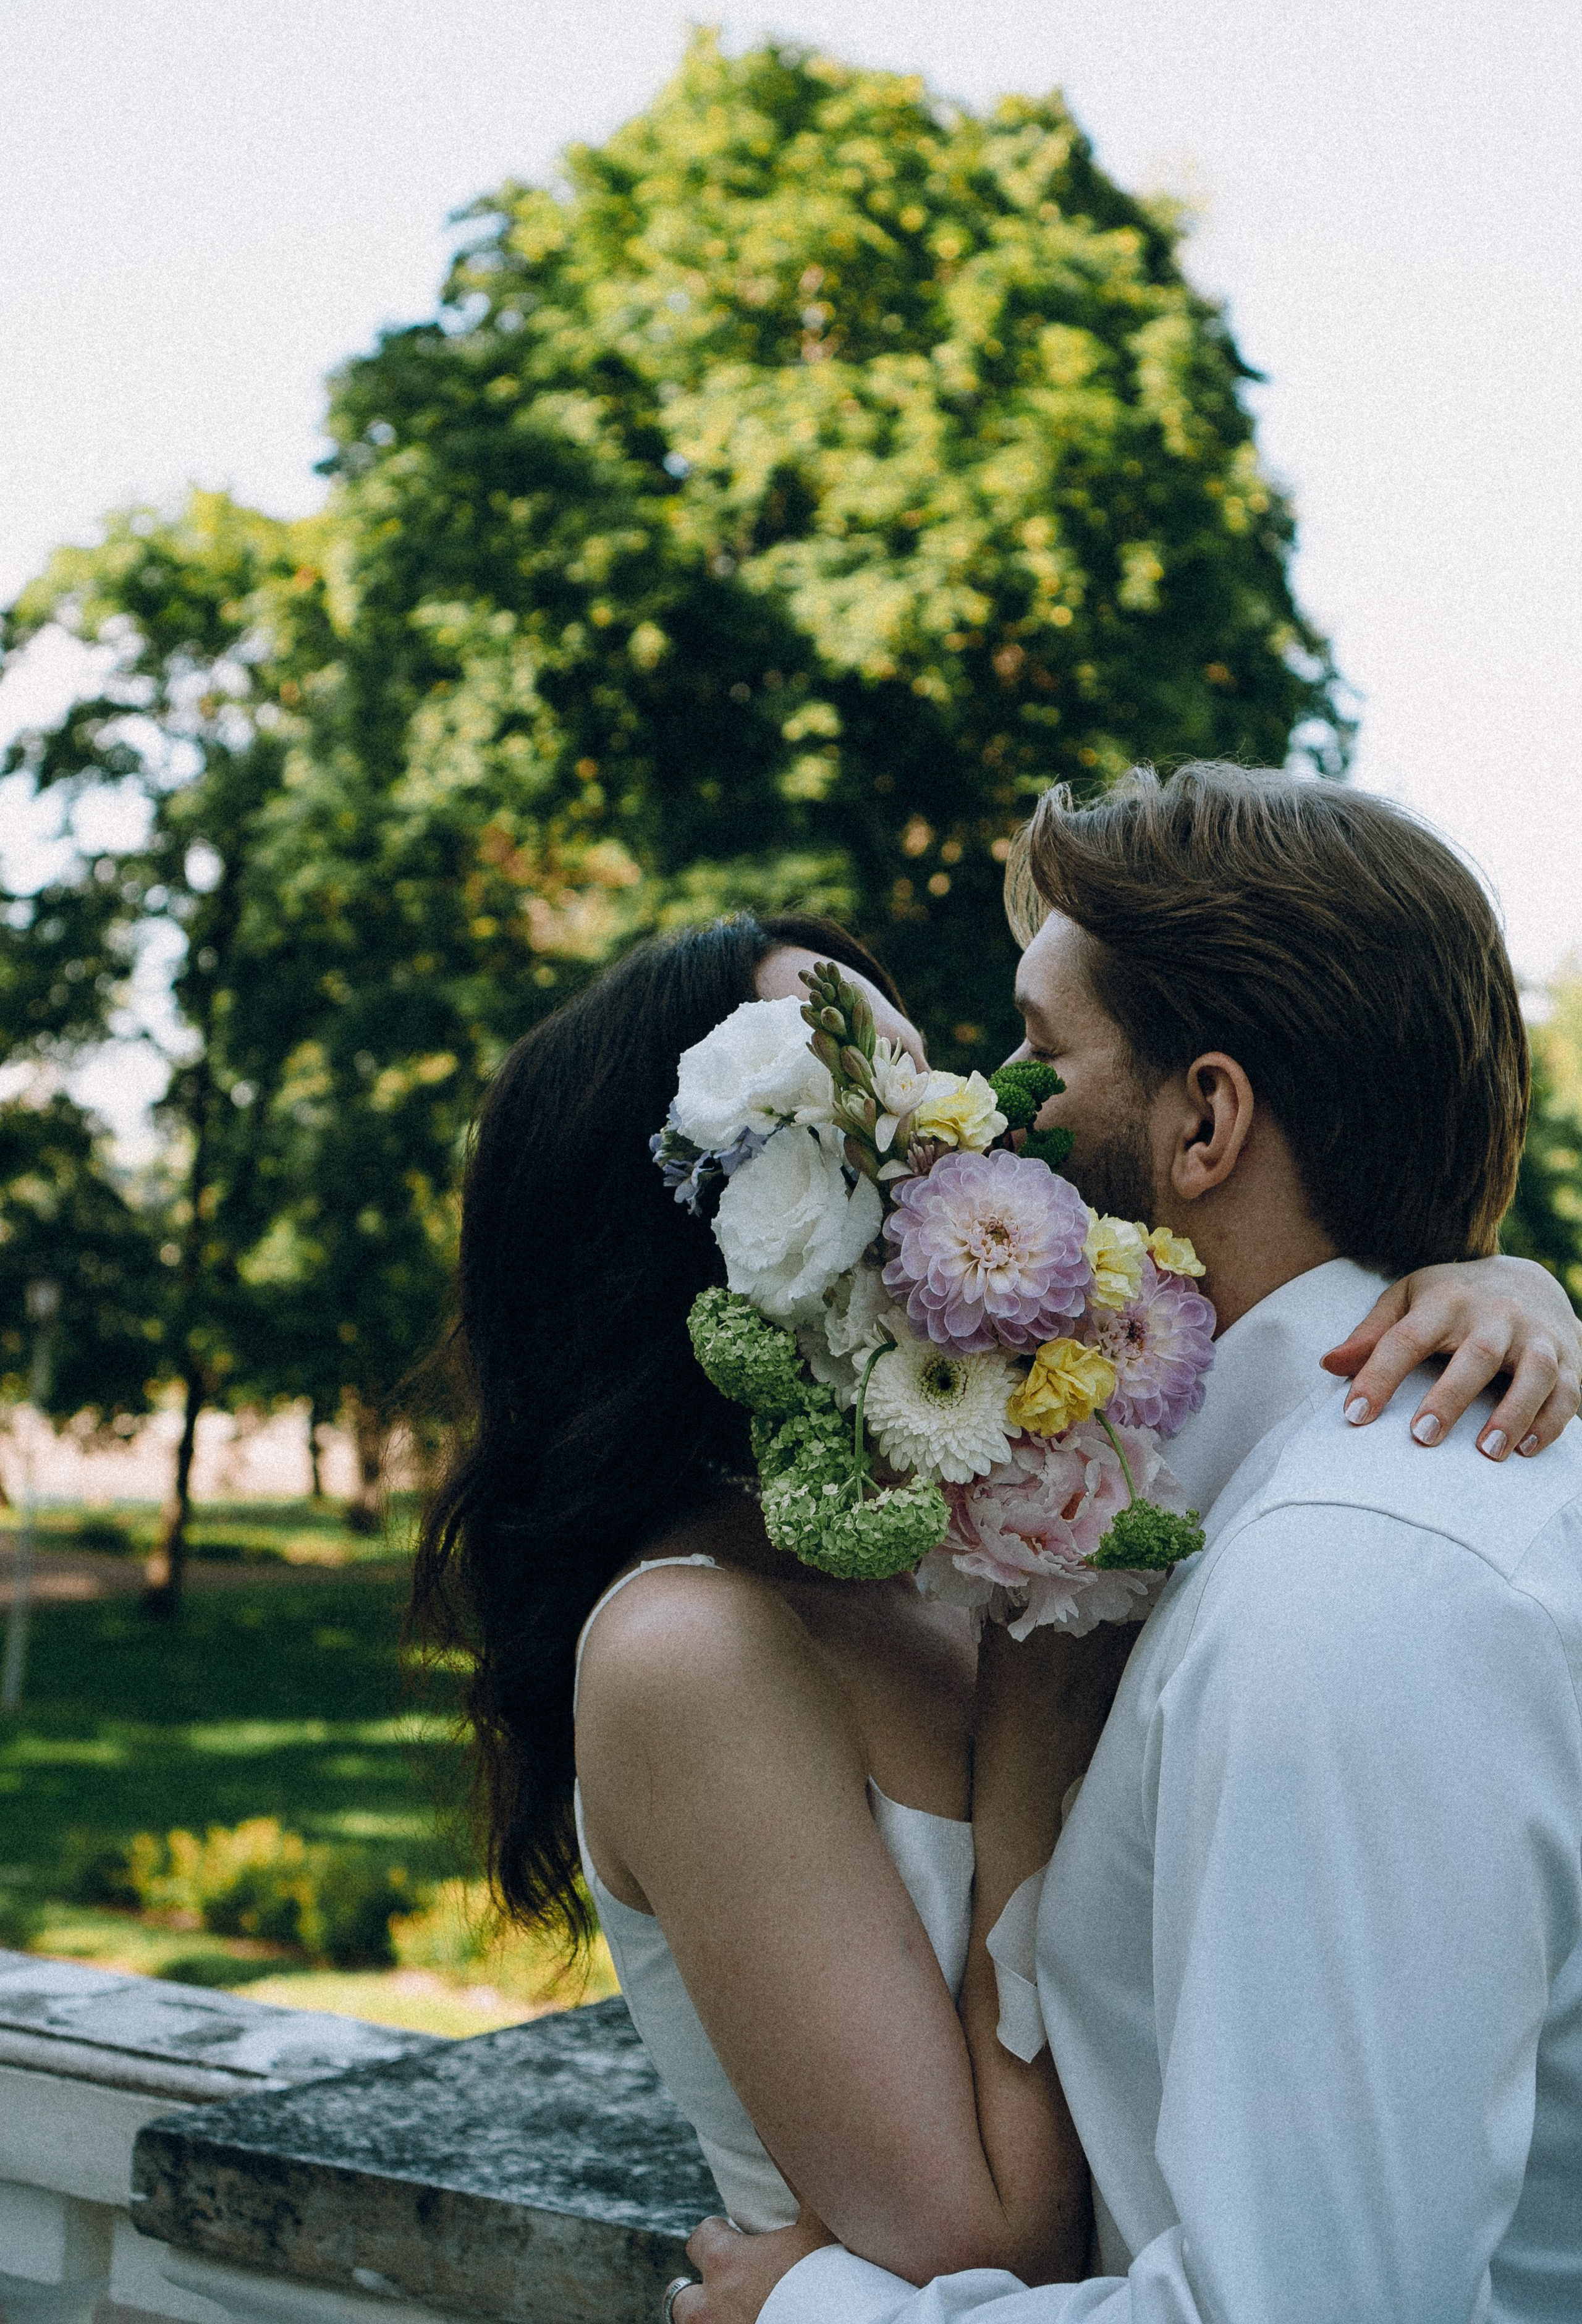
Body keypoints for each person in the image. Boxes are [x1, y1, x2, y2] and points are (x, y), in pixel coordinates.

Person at [409, 894, 1581, 2297]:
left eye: (925, 1070)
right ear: (692, 1212)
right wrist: (1029, 1745)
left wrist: (1496, 1282)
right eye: (868, 1094)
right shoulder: (689, 1646)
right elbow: (984, 2245)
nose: (962, 1125)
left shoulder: (969, 1534)